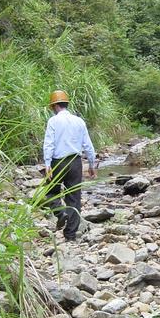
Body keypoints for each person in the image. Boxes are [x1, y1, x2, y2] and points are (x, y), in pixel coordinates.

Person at [43, 89, 97, 241]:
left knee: (51, 192)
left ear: (54, 106)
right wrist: (91, 165)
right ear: (66, 104)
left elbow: (49, 144)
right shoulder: (79, 121)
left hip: (57, 162)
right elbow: (88, 146)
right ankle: (70, 236)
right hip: (75, 162)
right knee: (74, 198)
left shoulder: (53, 121)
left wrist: (47, 163)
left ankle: (61, 214)